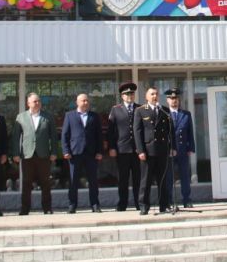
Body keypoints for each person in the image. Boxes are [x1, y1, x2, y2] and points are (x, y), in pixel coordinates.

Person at [11, 93, 57, 215]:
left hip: (44, 154)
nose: (37, 103)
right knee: (26, 182)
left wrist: (54, 152)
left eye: (39, 101)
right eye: (35, 101)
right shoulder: (21, 117)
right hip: (27, 155)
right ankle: (25, 209)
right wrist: (15, 153)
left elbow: (53, 136)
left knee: (45, 182)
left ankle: (47, 208)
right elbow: (15, 137)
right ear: (28, 103)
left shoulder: (48, 117)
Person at [134, 87, 174, 215]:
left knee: (162, 180)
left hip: (162, 150)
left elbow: (170, 130)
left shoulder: (164, 110)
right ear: (146, 97)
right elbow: (137, 132)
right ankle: (144, 206)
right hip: (148, 151)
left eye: (156, 94)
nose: (154, 96)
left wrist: (172, 148)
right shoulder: (140, 110)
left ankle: (164, 205)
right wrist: (140, 150)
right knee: (145, 180)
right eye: (152, 94)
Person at [61, 93, 104, 213]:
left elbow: (99, 135)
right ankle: (72, 205)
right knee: (73, 181)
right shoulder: (69, 115)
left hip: (91, 153)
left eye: (87, 101)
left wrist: (99, 151)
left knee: (93, 180)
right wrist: (66, 150)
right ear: (77, 102)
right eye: (83, 101)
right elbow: (65, 135)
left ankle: (95, 204)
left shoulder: (94, 116)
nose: (85, 103)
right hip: (75, 153)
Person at [108, 82, 141, 212]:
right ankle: (122, 204)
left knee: (138, 178)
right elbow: (111, 131)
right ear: (122, 96)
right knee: (123, 179)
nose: (130, 96)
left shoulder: (140, 108)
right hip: (122, 150)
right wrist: (112, 147)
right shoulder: (115, 109)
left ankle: (139, 203)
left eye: (131, 93)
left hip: (137, 150)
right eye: (127, 94)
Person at [162, 89, 195, 209]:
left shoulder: (186, 114)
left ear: (179, 100)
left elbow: (190, 132)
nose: (174, 101)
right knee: (169, 178)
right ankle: (170, 201)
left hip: (182, 149)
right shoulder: (164, 114)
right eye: (171, 98)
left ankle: (187, 200)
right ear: (167, 100)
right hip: (169, 150)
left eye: (175, 98)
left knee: (185, 176)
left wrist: (191, 147)